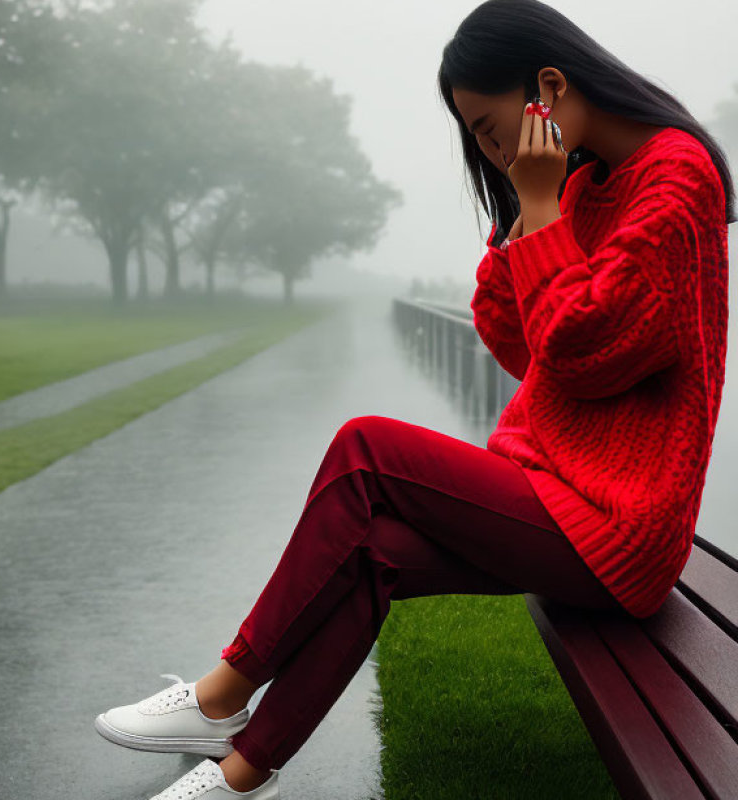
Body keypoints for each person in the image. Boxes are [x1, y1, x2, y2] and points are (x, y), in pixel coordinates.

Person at [94, 1, 734, 796]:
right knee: (375, 551)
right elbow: (516, 340)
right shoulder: (586, 185)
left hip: (621, 525)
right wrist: (524, 209)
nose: (488, 149)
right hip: (560, 492)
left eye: (489, 127)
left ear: (548, 87)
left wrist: (540, 207)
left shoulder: (678, 176)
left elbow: (583, 356)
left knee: (367, 449)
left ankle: (223, 691)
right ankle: (239, 775)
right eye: (477, 137)